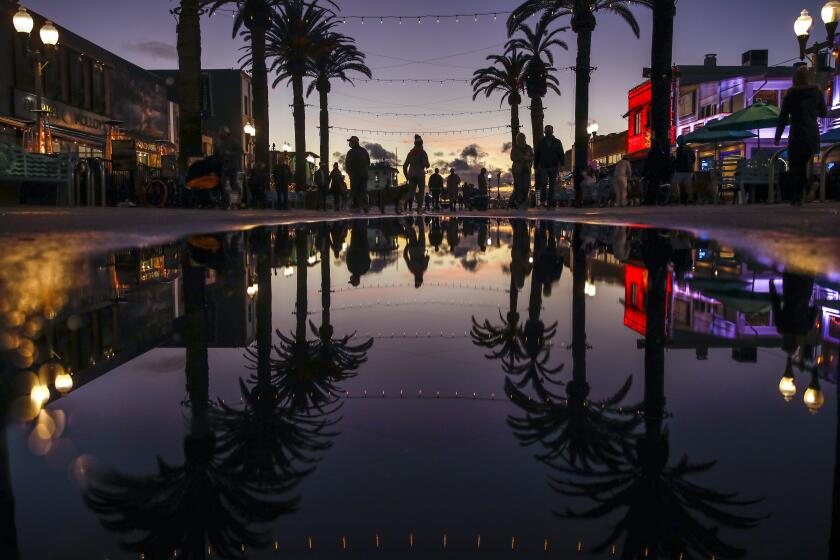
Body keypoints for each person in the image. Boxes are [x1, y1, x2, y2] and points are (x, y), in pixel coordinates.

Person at [775, 65, 827, 205]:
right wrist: (812, 112)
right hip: (812, 133)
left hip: (797, 133)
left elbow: (783, 117)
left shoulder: (791, 94)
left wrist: (778, 136)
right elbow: (824, 112)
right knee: (805, 164)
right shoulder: (816, 92)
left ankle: (798, 195)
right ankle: (812, 184)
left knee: (795, 167)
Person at [534, 125, 565, 208]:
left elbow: (561, 154)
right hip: (543, 166)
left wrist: (562, 165)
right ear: (544, 132)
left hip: (554, 166)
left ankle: (551, 203)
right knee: (543, 184)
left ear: (552, 131)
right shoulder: (540, 142)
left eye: (550, 130)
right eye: (547, 130)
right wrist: (536, 166)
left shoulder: (557, 142)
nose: (548, 132)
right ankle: (543, 201)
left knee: (552, 185)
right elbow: (537, 155)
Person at [403, 134, 430, 212]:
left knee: (411, 192)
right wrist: (426, 165)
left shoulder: (410, 153)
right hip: (420, 174)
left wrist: (406, 176)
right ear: (421, 143)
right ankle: (419, 208)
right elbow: (427, 164)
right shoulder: (423, 152)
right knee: (421, 191)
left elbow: (405, 166)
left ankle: (401, 204)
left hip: (411, 175)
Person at [214, 126, 243, 196]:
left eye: (222, 132)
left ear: (226, 133)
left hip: (232, 165)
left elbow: (240, 151)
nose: (220, 133)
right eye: (220, 132)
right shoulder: (218, 141)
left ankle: (241, 196)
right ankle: (224, 200)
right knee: (221, 183)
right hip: (223, 165)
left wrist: (231, 153)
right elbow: (217, 153)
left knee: (233, 183)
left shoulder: (233, 140)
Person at [345, 136, 370, 213]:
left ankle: (356, 206)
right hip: (364, 175)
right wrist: (365, 171)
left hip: (355, 176)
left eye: (350, 142)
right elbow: (368, 163)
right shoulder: (364, 151)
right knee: (363, 191)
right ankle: (365, 205)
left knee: (355, 191)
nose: (349, 143)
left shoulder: (351, 152)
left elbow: (347, 164)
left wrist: (350, 174)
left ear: (354, 142)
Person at [510, 132, 534, 209]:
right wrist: (521, 158)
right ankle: (518, 202)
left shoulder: (528, 148)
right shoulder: (515, 148)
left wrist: (528, 159)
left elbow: (533, 157)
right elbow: (512, 157)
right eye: (519, 138)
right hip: (517, 170)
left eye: (523, 138)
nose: (521, 139)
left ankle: (523, 201)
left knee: (526, 186)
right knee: (518, 186)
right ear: (517, 139)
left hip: (526, 169)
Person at [672, 136, 696, 204]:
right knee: (688, 185)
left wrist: (674, 161)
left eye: (677, 141)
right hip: (689, 169)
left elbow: (680, 159)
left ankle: (676, 197)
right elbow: (694, 159)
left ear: (680, 141)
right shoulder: (690, 149)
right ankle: (690, 199)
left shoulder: (679, 149)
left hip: (681, 169)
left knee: (674, 183)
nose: (677, 142)